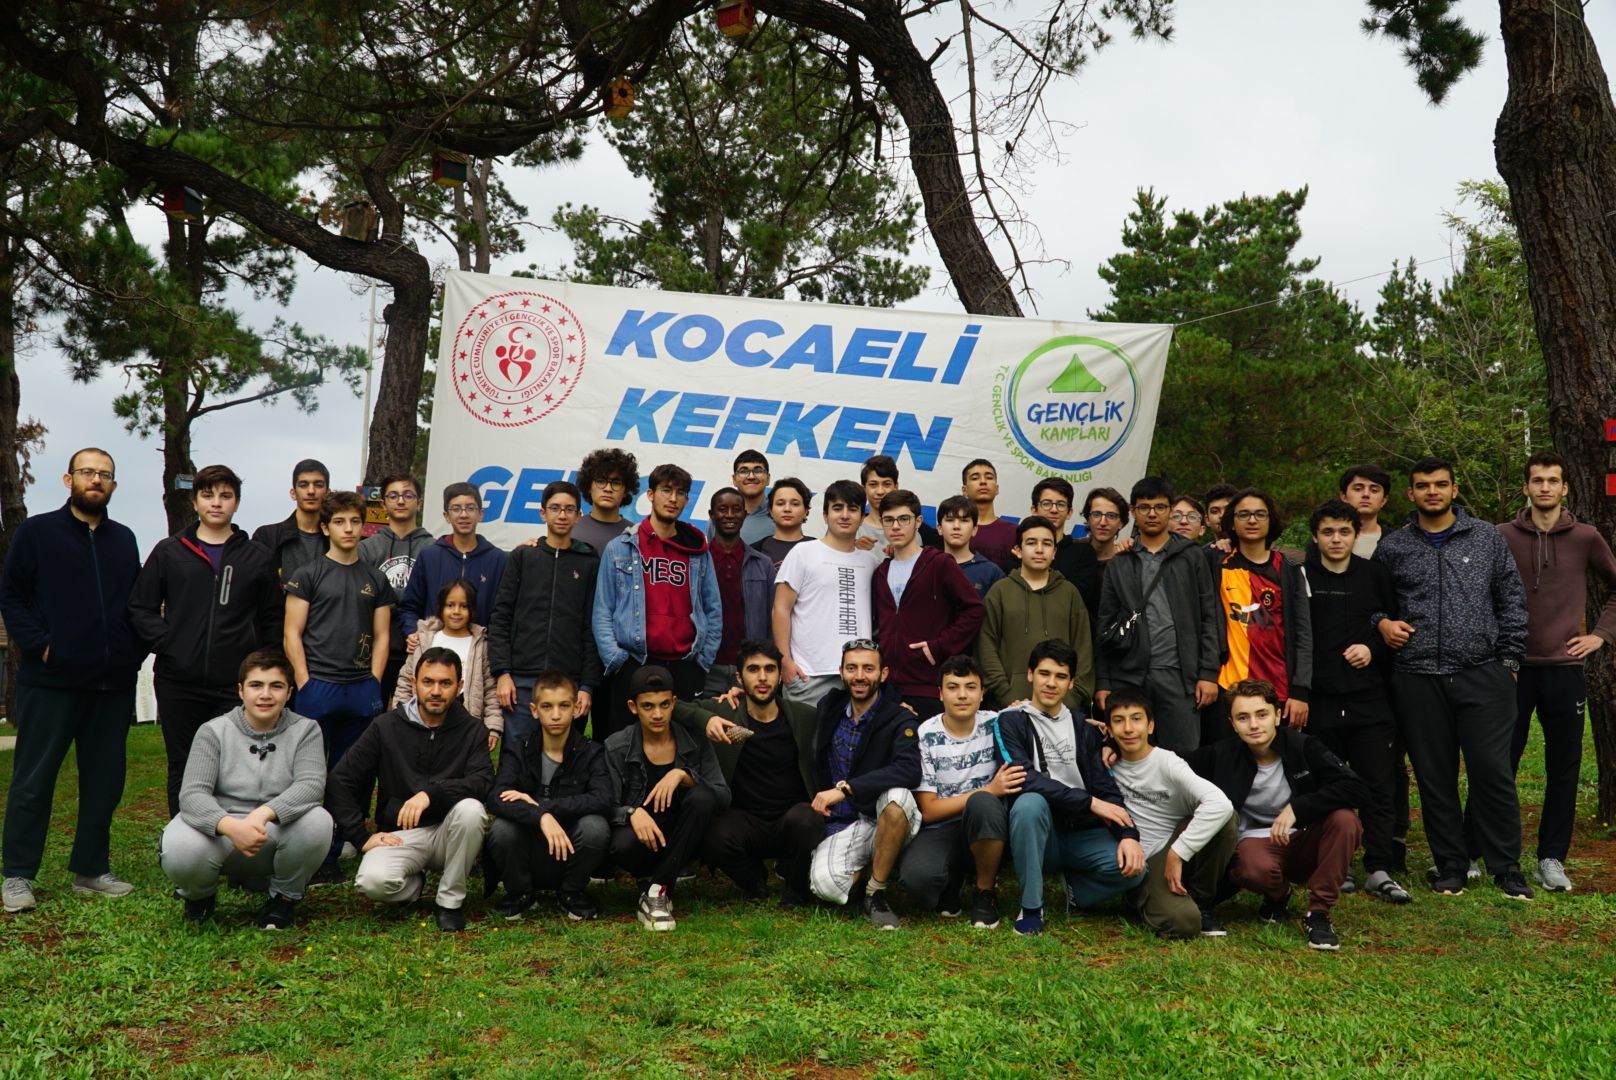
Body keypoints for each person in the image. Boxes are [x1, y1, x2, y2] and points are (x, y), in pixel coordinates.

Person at [1373, 457, 1531, 899]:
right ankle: (1451, 865)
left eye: (1440, 484)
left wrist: (1510, 660)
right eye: (1423, 485)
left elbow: (1511, 598)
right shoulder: (1393, 547)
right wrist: (1381, 623)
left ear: (1454, 490)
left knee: (1492, 772)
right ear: (1411, 493)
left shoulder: (1486, 537)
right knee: (1434, 776)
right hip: (1417, 676)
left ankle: (1506, 866)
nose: (1432, 492)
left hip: (1481, 671)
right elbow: (1373, 603)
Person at [2, 449, 145, 914]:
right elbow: (11, 595)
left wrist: (131, 653)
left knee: (104, 781)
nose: (96, 480)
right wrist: (41, 645)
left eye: (105, 474)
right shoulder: (37, 532)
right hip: (51, 681)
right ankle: (18, 874)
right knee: (33, 780)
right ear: (69, 480)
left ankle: (90, 869)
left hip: (111, 684)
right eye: (87, 472)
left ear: (113, 485)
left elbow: (136, 604)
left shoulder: (124, 540)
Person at [129, 463, 280, 816]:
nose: (216, 503)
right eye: (208, 495)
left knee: (234, 766)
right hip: (178, 681)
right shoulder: (170, 551)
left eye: (226, 496)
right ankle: (184, 840)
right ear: (195, 501)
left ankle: (233, 840)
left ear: (236, 503)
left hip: (234, 685)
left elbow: (273, 617)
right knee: (183, 765)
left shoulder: (257, 556)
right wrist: (170, 644)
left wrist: (259, 667)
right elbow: (140, 607)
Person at [1498, 451, 1616, 892]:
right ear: (1526, 487)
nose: (1544, 487)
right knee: (1498, 762)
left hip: (1564, 670)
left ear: (1565, 488)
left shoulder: (1586, 537)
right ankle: (1482, 850)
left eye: (1552, 480)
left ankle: (1551, 859)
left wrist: (1600, 636)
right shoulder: (1501, 536)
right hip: (1511, 669)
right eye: (1537, 480)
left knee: (1564, 767)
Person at [1186, 680, 1367, 951]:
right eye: (1243, 718)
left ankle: (1318, 913)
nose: (1254, 725)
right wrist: (1123, 750)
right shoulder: (1221, 754)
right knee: (1252, 867)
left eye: (1262, 714)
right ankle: (1278, 894)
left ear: (1278, 714)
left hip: (1305, 840)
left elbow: (1356, 789)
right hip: (1255, 845)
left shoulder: (1304, 746)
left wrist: (1298, 808)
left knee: (1345, 820)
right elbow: (1172, 765)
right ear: (1232, 724)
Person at [158, 649, 331, 928]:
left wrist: (263, 814)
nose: (265, 695)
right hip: (221, 834)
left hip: (276, 832)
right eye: (256, 685)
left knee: (318, 821)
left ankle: (283, 899)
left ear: (289, 693)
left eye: (276, 686)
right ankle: (200, 897)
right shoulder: (212, 731)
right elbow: (192, 794)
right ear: (241, 691)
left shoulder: (307, 730)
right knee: (179, 846)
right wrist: (229, 826)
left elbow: (310, 785)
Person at [331, 648, 494, 931]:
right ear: (414, 682)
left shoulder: (473, 729)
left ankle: (449, 901)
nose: (436, 691)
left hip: (450, 833)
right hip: (399, 835)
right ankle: (414, 885)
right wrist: (360, 837)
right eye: (428, 682)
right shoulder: (385, 726)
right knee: (372, 882)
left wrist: (431, 793)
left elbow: (483, 782)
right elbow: (340, 779)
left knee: (471, 810)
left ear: (459, 686)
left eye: (445, 683)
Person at [282, 490, 396, 883]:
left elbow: (383, 636)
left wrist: (375, 681)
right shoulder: (308, 575)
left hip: (361, 689)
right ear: (326, 527)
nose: (348, 529)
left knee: (350, 774)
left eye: (355, 521)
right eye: (340, 522)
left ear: (363, 526)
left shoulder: (375, 578)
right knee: (309, 773)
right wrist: (304, 682)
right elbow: (292, 633)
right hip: (318, 687)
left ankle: (335, 850)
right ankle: (306, 850)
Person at [1304, 499, 1411, 903]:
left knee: (1379, 783)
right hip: (1320, 699)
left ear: (1355, 535)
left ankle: (1378, 866)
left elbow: (1394, 627)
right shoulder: (1300, 576)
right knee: (1327, 784)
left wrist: (1373, 648)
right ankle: (1337, 862)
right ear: (1315, 537)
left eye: (1344, 532)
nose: (1336, 539)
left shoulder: (1375, 575)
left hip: (1369, 698)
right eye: (1328, 532)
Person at [1000, 639, 1142, 936]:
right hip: (1042, 833)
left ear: (1071, 682)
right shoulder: (1010, 721)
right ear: (1030, 674)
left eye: (1061, 676)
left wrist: (1128, 836)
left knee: (1135, 869)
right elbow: (1023, 776)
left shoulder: (1085, 728)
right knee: (1029, 803)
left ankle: (1076, 891)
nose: (1051, 683)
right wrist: (1089, 802)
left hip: (1082, 833)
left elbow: (1106, 788)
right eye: (1044, 673)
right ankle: (1031, 907)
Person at [673, 640, 822, 907]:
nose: (762, 677)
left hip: (790, 822)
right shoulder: (725, 712)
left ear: (780, 676)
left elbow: (842, 711)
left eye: (770, 669)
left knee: (808, 817)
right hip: (745, 823)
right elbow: (675, 708)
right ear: (740, 678)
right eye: (753, 669)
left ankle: (796, 889)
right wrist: (706, 719)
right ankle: (754, 883)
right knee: (712, 831)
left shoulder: (803, 716)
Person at [593, 463, 723, 740]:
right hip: (635, 661)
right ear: (650, 495)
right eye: (666, 490)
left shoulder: (697, 551)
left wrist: (701, 662)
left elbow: (713, 609)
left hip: (684, 664)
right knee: (625, 743)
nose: (673, 499)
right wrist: (617, 661)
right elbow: (603, 609)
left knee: (684, 744)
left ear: (687, 500)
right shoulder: (621, 547)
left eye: (680, 493)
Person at [1095, 477, 1221, 755]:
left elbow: (1209, 616)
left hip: (1180, 676)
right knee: (1128, 759)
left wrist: (1208, 673)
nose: (1152, 514)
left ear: (1170, 510)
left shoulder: (1191, 556)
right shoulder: (1120, 561)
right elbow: (1105, 625)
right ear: (1133, 511)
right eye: (1144, 507)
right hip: (1129, 676)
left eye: (1160, 507)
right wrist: (1104, 682)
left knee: (1183, 758)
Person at [802, 640, 922, 930]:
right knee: (825, 886)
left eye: (868, 669)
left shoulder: (899, 717)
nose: (859, 676)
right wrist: (739, 692)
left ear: (883, 674)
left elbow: (909, 770)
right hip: (845, 824)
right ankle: (875, 866)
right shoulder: (830, 707)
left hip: (883, 815)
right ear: (841, 672)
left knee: (898, 797)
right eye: (852, 668)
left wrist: (846, 788)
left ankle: (875, 892)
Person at [604, 665, 730, 931]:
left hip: (685, 835)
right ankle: (655, 878)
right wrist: (631, 812)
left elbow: (722, 795)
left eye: (664, 705)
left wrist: (684, 775)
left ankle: (657, 890)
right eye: (648, 706)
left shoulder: (694, 741)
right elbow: (605, 804)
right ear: (633, 707)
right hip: (644, 838)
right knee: (621, 844)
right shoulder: (616, 746)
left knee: (702, 797)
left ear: (674, 703)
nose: (658, 714)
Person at [1103, 688, 1237, 938]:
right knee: (1184, 923)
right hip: (1144, 858)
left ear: (1150, 726)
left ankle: (1202, 899)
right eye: (1119, 721)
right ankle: (1142, 897)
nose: (1129, 729)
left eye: (1136, 719)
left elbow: (1220, 804)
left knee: (1227, 819)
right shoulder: (1103, 763)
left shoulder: (1167, 762)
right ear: (1109, 730)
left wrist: (1178, 853)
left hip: (1177, 844)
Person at [898, 656, 1019, 929]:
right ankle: (953, 876)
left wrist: (1090, 726)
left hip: (986, 822)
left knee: (984, 803)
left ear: (982, 693)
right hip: (941, 826)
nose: (962, 695)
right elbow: (929, 810)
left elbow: (1041, 714)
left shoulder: (997, 723)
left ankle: (985, 891)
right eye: (953, 687)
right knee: (917, 879)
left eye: (970, 687)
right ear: (940, 694)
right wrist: (989, 789)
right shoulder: (926, 734)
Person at [485, 671, 612, 922]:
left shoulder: (591, 752)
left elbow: (602, 799)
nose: (555, 715)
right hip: (527, 849)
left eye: (563, 706)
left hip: (570, 848)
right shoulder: (518, 749)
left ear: (576, 708)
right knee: (502, 829)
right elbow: (496, 797)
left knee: (596, 827)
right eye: (547, 706)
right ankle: (520, 893)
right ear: (534, 711)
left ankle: (572, 892)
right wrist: (539, 817)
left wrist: (545, 808)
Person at [487, 480, 601, 743]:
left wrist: (586, 686)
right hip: (521, 680)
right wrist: (502, 673)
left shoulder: (588, 562)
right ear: (542, 513)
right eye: (555, 508)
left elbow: (591, 627)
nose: (562, 515)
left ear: (578, 516)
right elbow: (501, 617)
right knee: (517, 753)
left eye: (569, 509)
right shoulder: (523, 557)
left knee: (565, 757)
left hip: (569, 680)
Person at [1207, 488, 1311, 743]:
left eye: (1259, 514)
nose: (1252, 520)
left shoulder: (1289, 569)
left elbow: (1303, 634)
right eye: (1243, 514)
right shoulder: (1215, 563)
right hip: (1228, 687)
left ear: (1270, 520)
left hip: (1279, 690)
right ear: (1232, 522)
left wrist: (1300, 691)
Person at [872, 489, 985, 718]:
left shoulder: (939, 563)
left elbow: (974, 610)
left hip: (928, 687)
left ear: (918, 522)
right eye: (889, 520)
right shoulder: (880, 572)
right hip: (886, 687)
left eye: (904, 519)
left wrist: (938, 647)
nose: (896, 526)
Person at [773, 479, 884, 707]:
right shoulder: (803, 553)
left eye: (852, 509)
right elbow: (780, 609)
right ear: (825, 515)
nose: (844, 515)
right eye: (837, 508)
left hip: (858, 677)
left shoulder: (871, 562)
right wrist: (785, 661)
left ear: (862, 517)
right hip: (809, 675)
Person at [976, 516, 1093, 713]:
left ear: (1054, 552)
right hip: (1009, 707)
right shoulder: (1000, 591)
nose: (1039, 549)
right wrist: (1006, 695)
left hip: (1062, 710)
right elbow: (985, 647)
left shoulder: (1069, 592)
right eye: (1031, 543)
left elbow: (1084, 649)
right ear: (1018, 550)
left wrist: (1071, 700)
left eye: (1046, 544)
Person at [394, 579, 502, 749]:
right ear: (440, 608)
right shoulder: (424, 640)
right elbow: (406, 682)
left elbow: (490, 690)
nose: (456, 611)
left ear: (472, 609)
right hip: (423, 720)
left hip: (464, 726)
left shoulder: (481, 645)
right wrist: (399, 717)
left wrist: (492, 727)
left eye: (463, 606)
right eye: (450, 605)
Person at [398, 483, 508, 644]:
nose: (464, 515)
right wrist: (413, 634)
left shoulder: (498, 559)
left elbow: (504, 614)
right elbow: (409, 607)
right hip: (433, 650)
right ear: (446, 516)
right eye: (456, 509)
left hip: (480, 650)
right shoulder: (429, 556)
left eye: (470, 508)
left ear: (480, 514)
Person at [358, 473, 434, 703]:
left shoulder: (434, 548)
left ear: (419, 503)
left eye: (408, 495)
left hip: (418, 646)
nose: (400, 501)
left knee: (413, 713)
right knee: (372, 712)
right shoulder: (366, 548)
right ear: (383, 504)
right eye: (393, 496)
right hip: (374, 647)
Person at [705, 487, 778, 696]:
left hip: (749, 668)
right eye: (722, 509)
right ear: (711, 515)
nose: (729, 515)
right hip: (706, 667)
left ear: (744, 514)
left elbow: (772, 617)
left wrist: (764, 662)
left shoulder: (762, 563)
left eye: (736, 509)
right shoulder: (697, 561)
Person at [252, 458, 330, 589]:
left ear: (328, 493)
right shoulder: (267, 537)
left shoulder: (337, 539)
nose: (311, 491)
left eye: (318, 485)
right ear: (293, 493)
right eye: (304, 485)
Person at [1033, 476, 1100, 615]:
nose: (1054, 510)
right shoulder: (1020, 550)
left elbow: (1077, 597)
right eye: (1046, 503)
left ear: (1069, 512)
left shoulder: (1083, 553)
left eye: (1061, 504)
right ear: (1034, 510)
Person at [854, 455, 942, 552]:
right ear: (864, 488)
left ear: (896, 487)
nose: (880, 491)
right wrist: (852, 548)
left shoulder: (917, 527)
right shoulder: (852, 527)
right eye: (873, 485)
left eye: (886, 484)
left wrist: (905, 550)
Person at [571, 447, 639, 554]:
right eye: (601, 481)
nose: (608, 489)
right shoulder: (570, 529)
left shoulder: (635, 535)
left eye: (616, 483)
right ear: (589, 487)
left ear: (625, 491)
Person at [936, 494, 1005, 599]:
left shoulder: (991, 573)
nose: (956, 526)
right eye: (950, 520)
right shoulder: (926, 567)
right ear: (940, 528)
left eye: (964, 521)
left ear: (974, 530)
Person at [961, 458, 1018, 570]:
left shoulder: (1014, 532)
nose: (983, 482)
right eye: (975, 478)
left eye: (989, 477)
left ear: (997, 489)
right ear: (964, 490)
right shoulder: (955, 529)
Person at [752, 477, 814, 570]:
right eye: (780, 504)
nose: (787, 509)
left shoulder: (819, 548)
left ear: (806, 511)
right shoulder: (754, 551)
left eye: (795, 504)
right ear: (770, 510)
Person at [1339, 464, 1392, 558]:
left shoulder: (1396, 540)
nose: (1366, 494)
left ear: (1383, 500)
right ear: (1344, 497)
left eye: (1374, 490)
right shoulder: (1328, 538)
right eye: (1358, 489)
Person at [1082, 486, 1129, 586]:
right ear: (1088, 519)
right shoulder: (1073, 551)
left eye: (1111, 516)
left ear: (1121, 523)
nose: (1103, 522)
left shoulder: (1127, 561)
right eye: (1096, 514)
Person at [731, 449, 775, 545]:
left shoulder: (780, 514)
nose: (751, 477)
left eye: (758, 471)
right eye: (743, 471)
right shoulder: (721, 517)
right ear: (734, 479)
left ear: (768, 478)